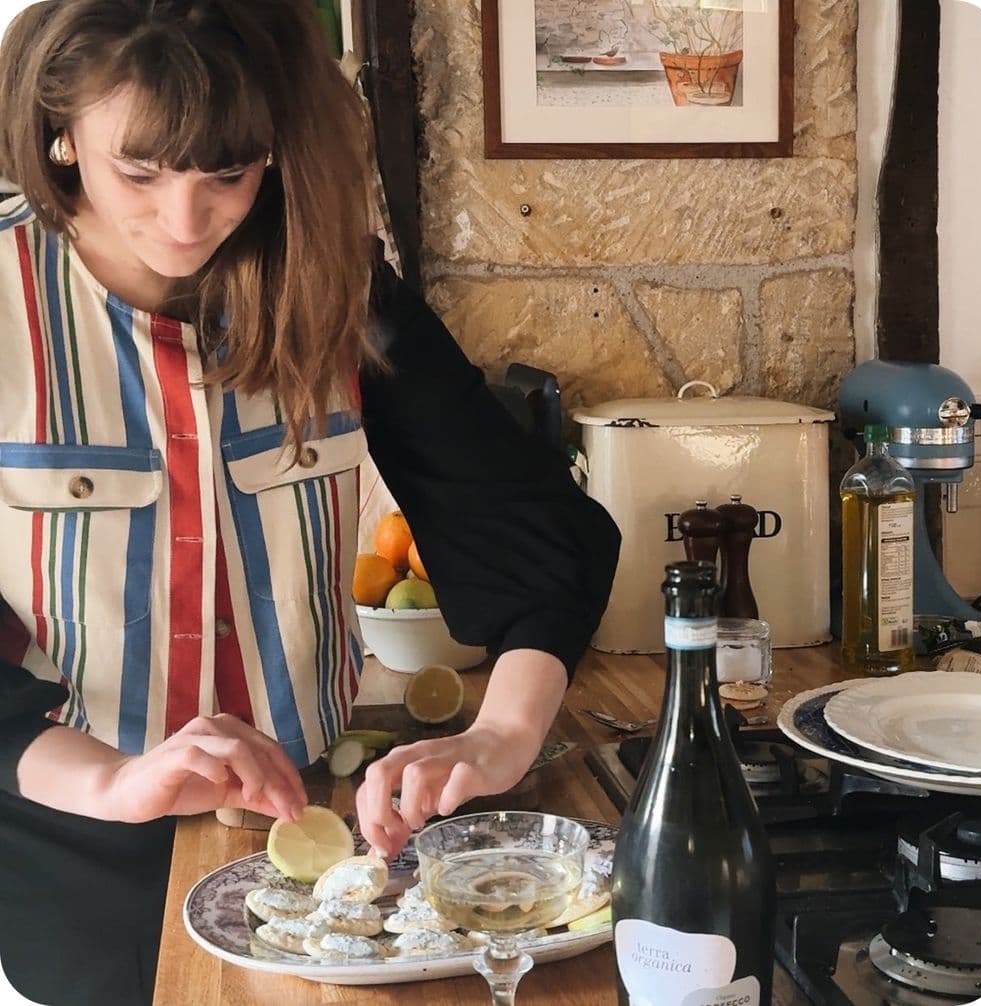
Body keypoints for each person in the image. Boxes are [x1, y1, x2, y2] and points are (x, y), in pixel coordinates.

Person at [0, 2, 620, 1004]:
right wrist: (112, 782)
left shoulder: (332, 287)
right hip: (68, 844)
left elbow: (530, 525)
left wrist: (495, 738)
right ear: (61, 130)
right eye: (141, 174)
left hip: (312, 821)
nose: (185, 222)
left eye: (229, 175)